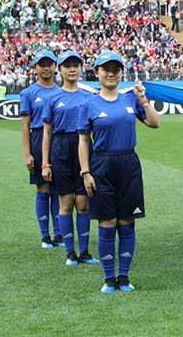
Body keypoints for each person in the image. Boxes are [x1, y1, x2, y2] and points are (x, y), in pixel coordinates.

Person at [78, 51, 161, 293]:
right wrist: (85, 172)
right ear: (97, 73)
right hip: (101, 165)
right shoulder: (89, 104)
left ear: (121, 72)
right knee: (106, 221)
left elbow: (155, 123)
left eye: (116, 69)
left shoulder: (130, 99)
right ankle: (108, 278)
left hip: (129, 164)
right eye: (106, 69)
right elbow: (83, 141)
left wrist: (144, 99)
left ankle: (124, 277)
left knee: (126, 221)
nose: (111, 73)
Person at [41, 51, 99, 266]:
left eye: (76, 65)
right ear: (60, 70)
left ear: (81, 68)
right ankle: (70, 253)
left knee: (83, 203)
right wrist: (45, 163)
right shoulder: (52, 98)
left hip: (83, 147)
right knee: (65, 203)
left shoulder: (90, 97)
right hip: (61, 149)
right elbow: (47, 132)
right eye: (67, 65)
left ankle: (84, 252)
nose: (72, 69)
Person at [19, 50, 63, 249]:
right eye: (42, 64)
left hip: (59, 141)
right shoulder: (29, 93)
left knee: (58, 189)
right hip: (38, 139)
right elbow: (25, 125)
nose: (46, 68)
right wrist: (27, 154)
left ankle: (59, 234)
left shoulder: (62, 91)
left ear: (55, 67)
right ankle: (45, 236)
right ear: (36, 67)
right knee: (43, 188)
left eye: (49, 64)